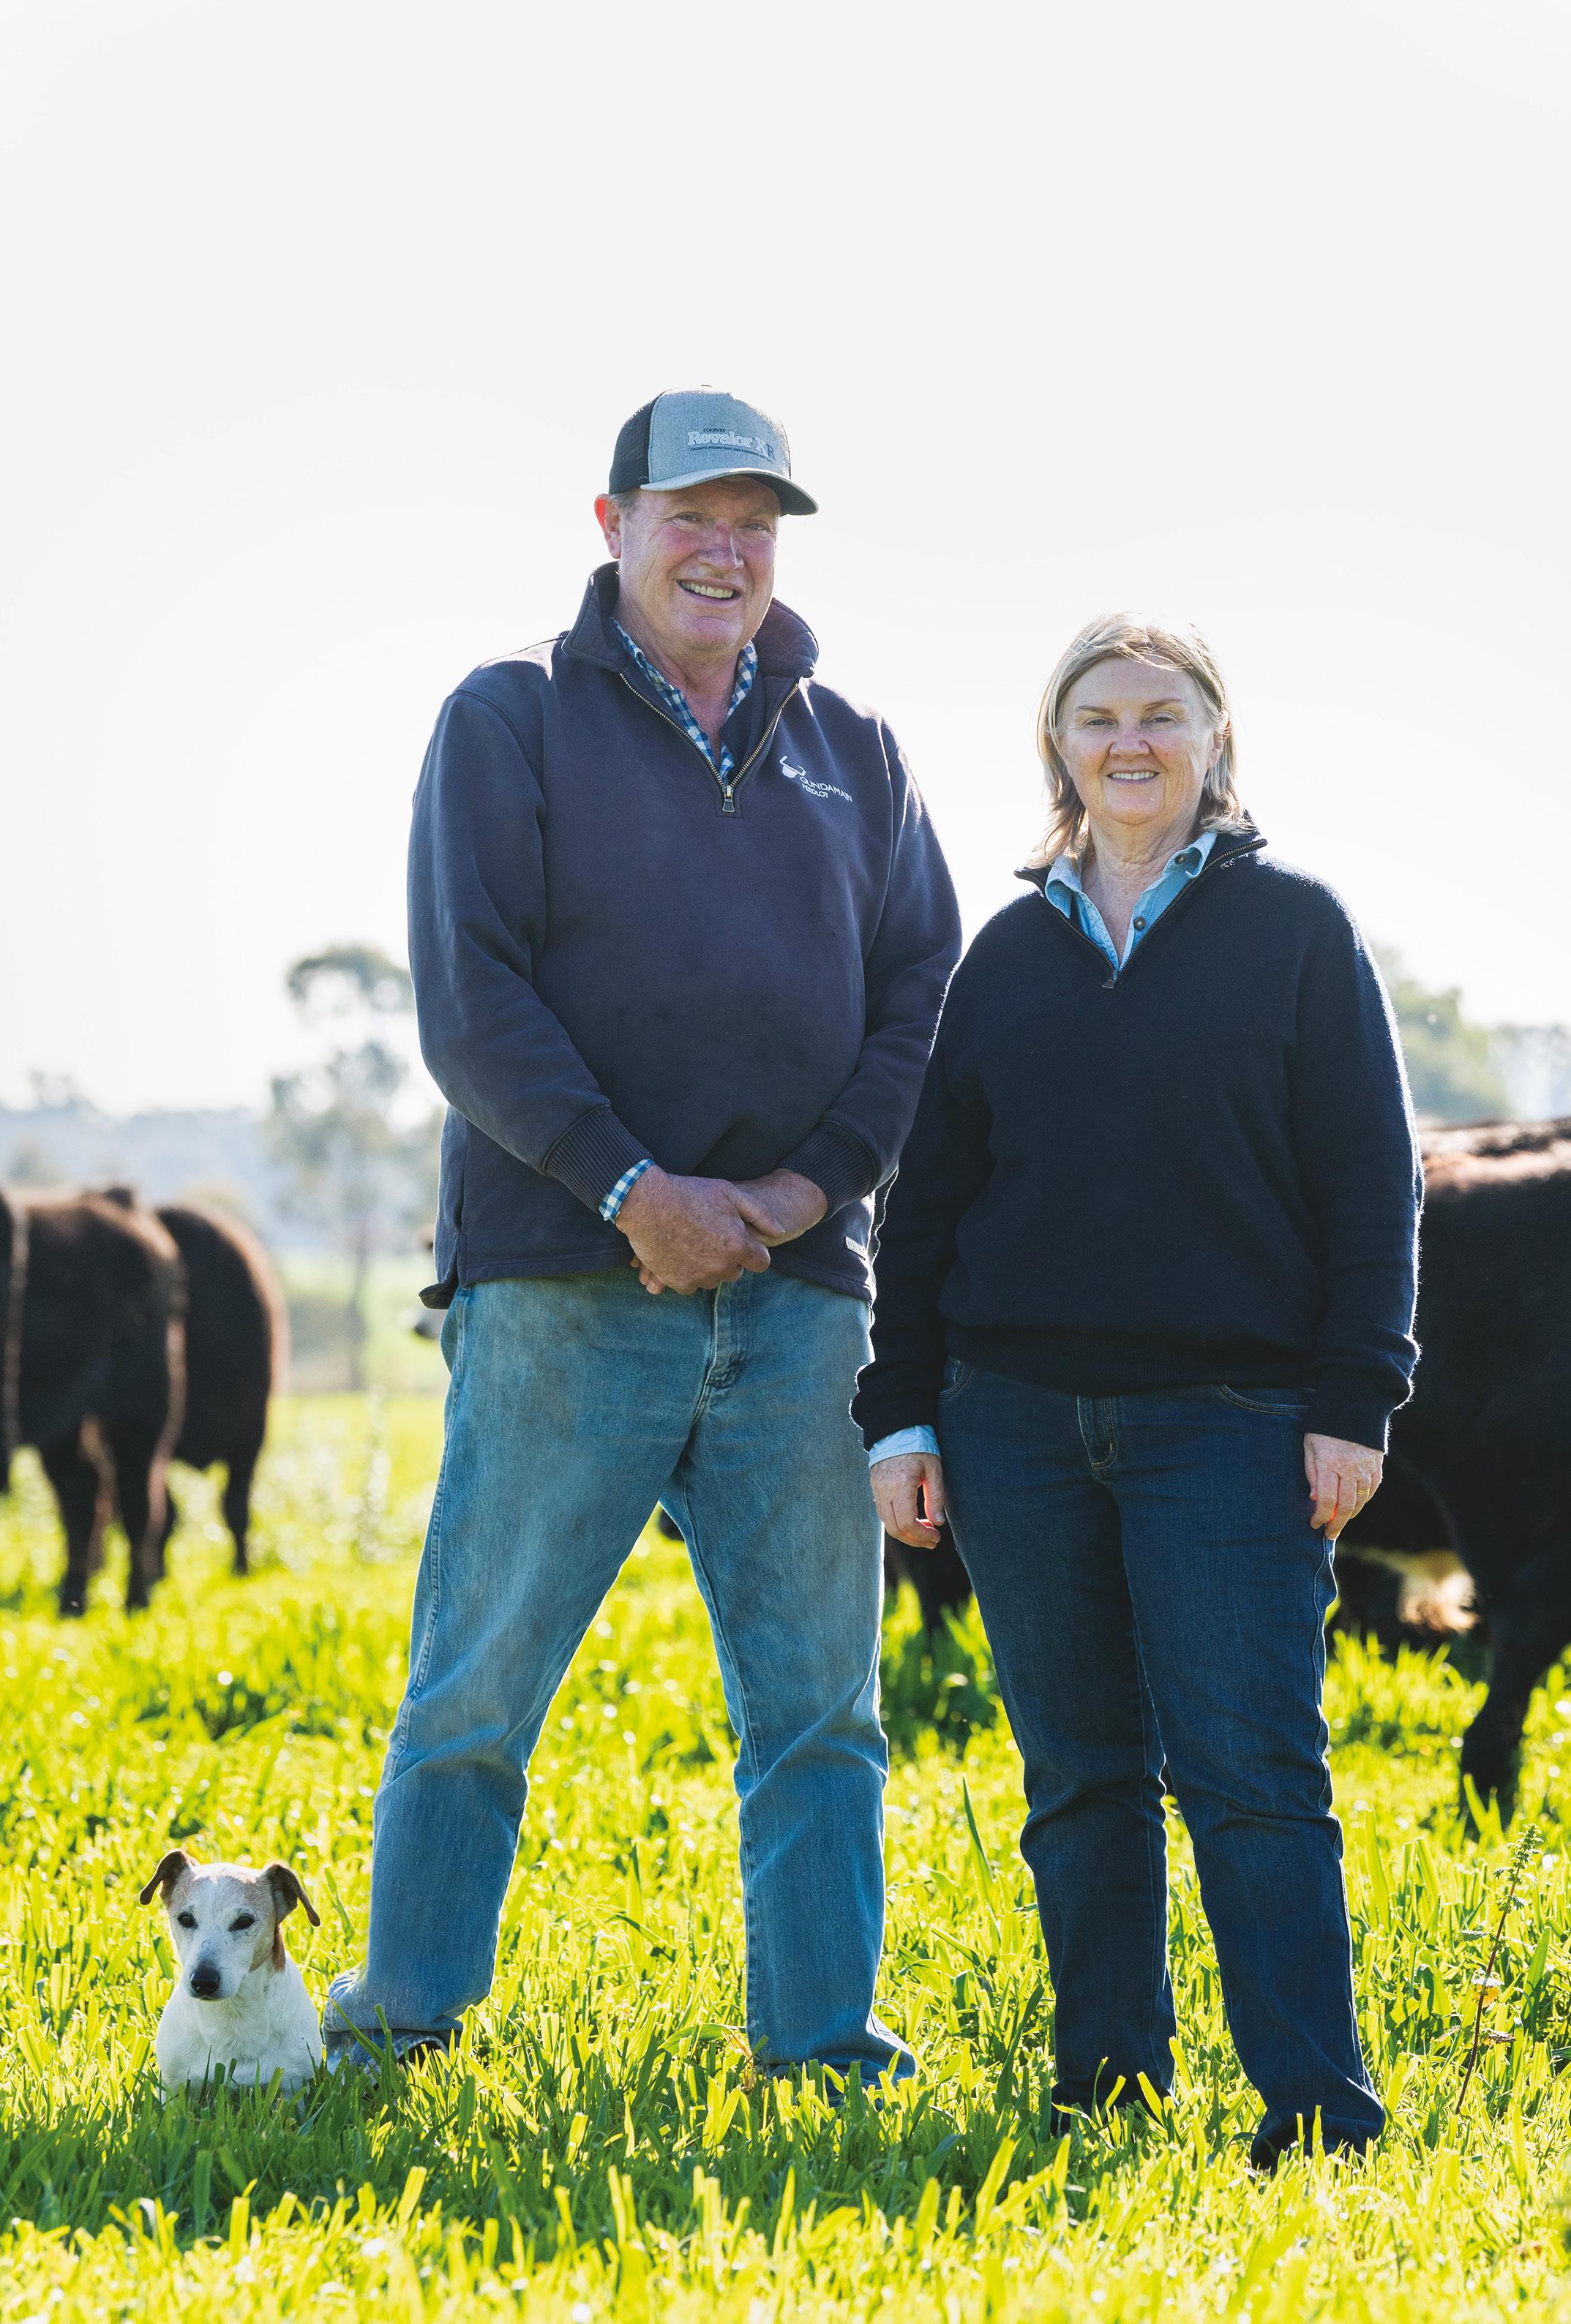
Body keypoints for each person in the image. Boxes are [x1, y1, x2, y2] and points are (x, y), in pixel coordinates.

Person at [324, 388, 961, 2081]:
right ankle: (406, 2014)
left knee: (821, 1705)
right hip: (562, 1282)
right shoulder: (511, 716)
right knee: (479, 1684)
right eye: (692, 515)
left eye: (756, 523)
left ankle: (821, 2036)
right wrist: (632, 1189)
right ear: (611, 524)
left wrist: (804, 1191)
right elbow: (471, 999)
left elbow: (922, 998)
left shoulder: (858, 748)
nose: (725, 551)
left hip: (802, 1298)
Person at [857, 613, 1419, 2167]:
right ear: (1058, 744)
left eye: (1161, 714)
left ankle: (1316, 2112)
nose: (1129, 741)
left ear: (1214, 736)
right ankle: (1107, 2089)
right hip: (1014, 1424)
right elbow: (927, 1205)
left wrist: (1355, 1401)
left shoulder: (1295, 930)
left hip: (1230, 1423)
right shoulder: (1008, 951)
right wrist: (901, 1413)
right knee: (1079, 1779)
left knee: (1252, 1773)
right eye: (1097, 715)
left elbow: (1372, 1186)